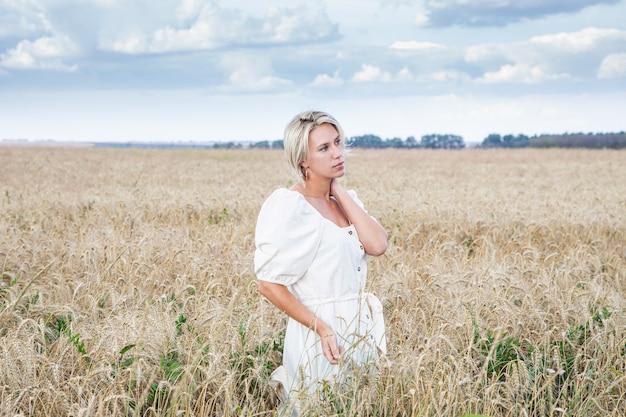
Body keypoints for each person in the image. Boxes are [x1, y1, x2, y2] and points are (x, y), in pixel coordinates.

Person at [253, 110, 388, 412]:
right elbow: (267, 284)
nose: (338, 153)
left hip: (358, 330)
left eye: (338, 143)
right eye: (324, 148)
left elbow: (377, 245)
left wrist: (336, 189)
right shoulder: (289, 207)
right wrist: (322, 328)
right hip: (319, 338)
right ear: (303, 159)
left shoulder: (343, 200)